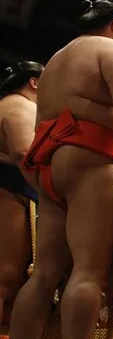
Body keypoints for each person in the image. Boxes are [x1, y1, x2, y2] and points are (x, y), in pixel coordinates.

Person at [10, 0, 113, 339]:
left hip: (50, 166)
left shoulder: (54, 62)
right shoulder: (112, 49)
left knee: (43, 274)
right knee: (88, 271)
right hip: (91, 157)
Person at [0, 61, 42, 326]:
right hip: (10, 191)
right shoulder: (20, 104)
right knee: (3, 278)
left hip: (13, 190)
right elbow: (24, 152)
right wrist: (49, 192)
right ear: (34, 82)